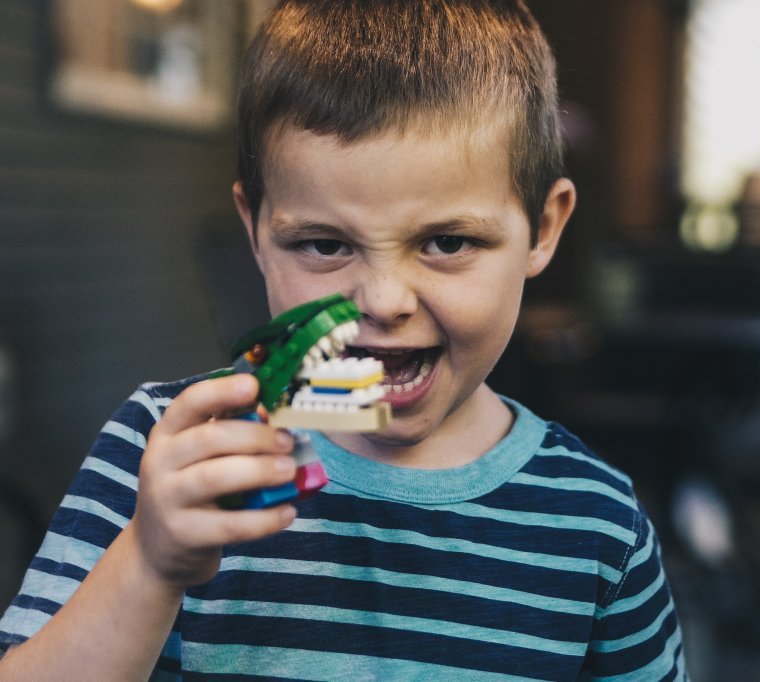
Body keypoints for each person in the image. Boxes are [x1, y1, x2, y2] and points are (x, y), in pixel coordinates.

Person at [0, 1, 688, 679]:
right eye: (325, 244)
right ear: (257, 230)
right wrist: (149, 562)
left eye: (448, 242)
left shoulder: (600, 528)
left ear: (542, 228)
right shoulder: (169, 454)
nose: (384, 301)